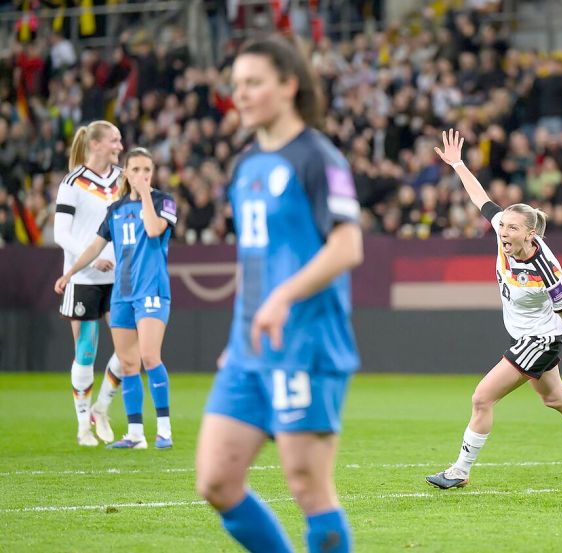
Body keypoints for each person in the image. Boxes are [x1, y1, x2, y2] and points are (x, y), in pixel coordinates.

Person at [194, 35, 363, 553]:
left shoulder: (319, 158)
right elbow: (254, 264)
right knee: (216, 481)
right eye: (236, 84)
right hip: (251, 347)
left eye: (254, 83)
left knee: (307, 486)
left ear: (288, 86)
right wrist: (243, 329)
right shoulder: (244, 167)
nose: (240, 94)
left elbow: (347, 245)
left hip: (307, 343)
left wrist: (282, 298)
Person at [426, 129, 562, 490]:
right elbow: (480, 198)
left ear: (530, 234)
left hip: (540, 339)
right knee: (554, 397)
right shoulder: (504, 233)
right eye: (502, 225)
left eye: (512, 228)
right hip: (530, 336)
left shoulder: (545, 268)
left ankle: (460, 471)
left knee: (481, 397)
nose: (503, 231)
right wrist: (457, 164)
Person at [56, 147, 177, 450]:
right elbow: (95, 247)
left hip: (152, 290)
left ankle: (164, 429)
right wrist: (70, 273)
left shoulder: (164, 202)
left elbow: (152, 229)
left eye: (146, 170)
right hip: (122, 295)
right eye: (135, 170)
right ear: (126, 172)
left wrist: (146, 193)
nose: (141, 176)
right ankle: (135, 434)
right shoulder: (116, 210)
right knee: (128, 362)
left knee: (150, 357)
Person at [53, 120, 125, 446]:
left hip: (119, 276)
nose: (119, 146)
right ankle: (83, 425)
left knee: (128, 349)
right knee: (87, 349)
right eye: (115, 140)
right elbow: (60, 233)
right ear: (95, 144)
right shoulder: (72, 182)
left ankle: (102, 407)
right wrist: (91, 258)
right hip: (84, 276)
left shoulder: (123, 179)